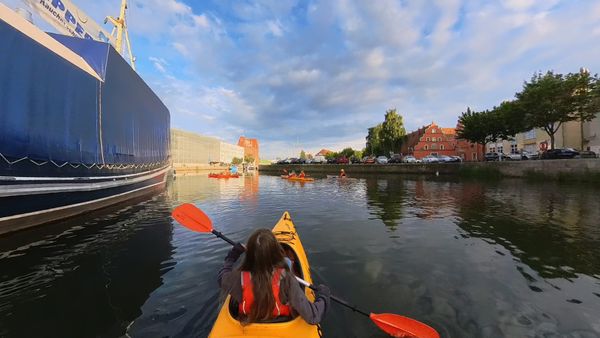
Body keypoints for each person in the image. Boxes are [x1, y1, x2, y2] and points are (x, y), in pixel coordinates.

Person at [218, 229, 330, 325]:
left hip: (246, 322)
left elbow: (222, 274)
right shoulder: (287, 279)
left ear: (250, 255)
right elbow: (313, 316)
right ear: (276, 253)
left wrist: (233, 255)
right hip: (281, 323)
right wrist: (323, 295)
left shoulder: (235, 278)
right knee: (287, 263)